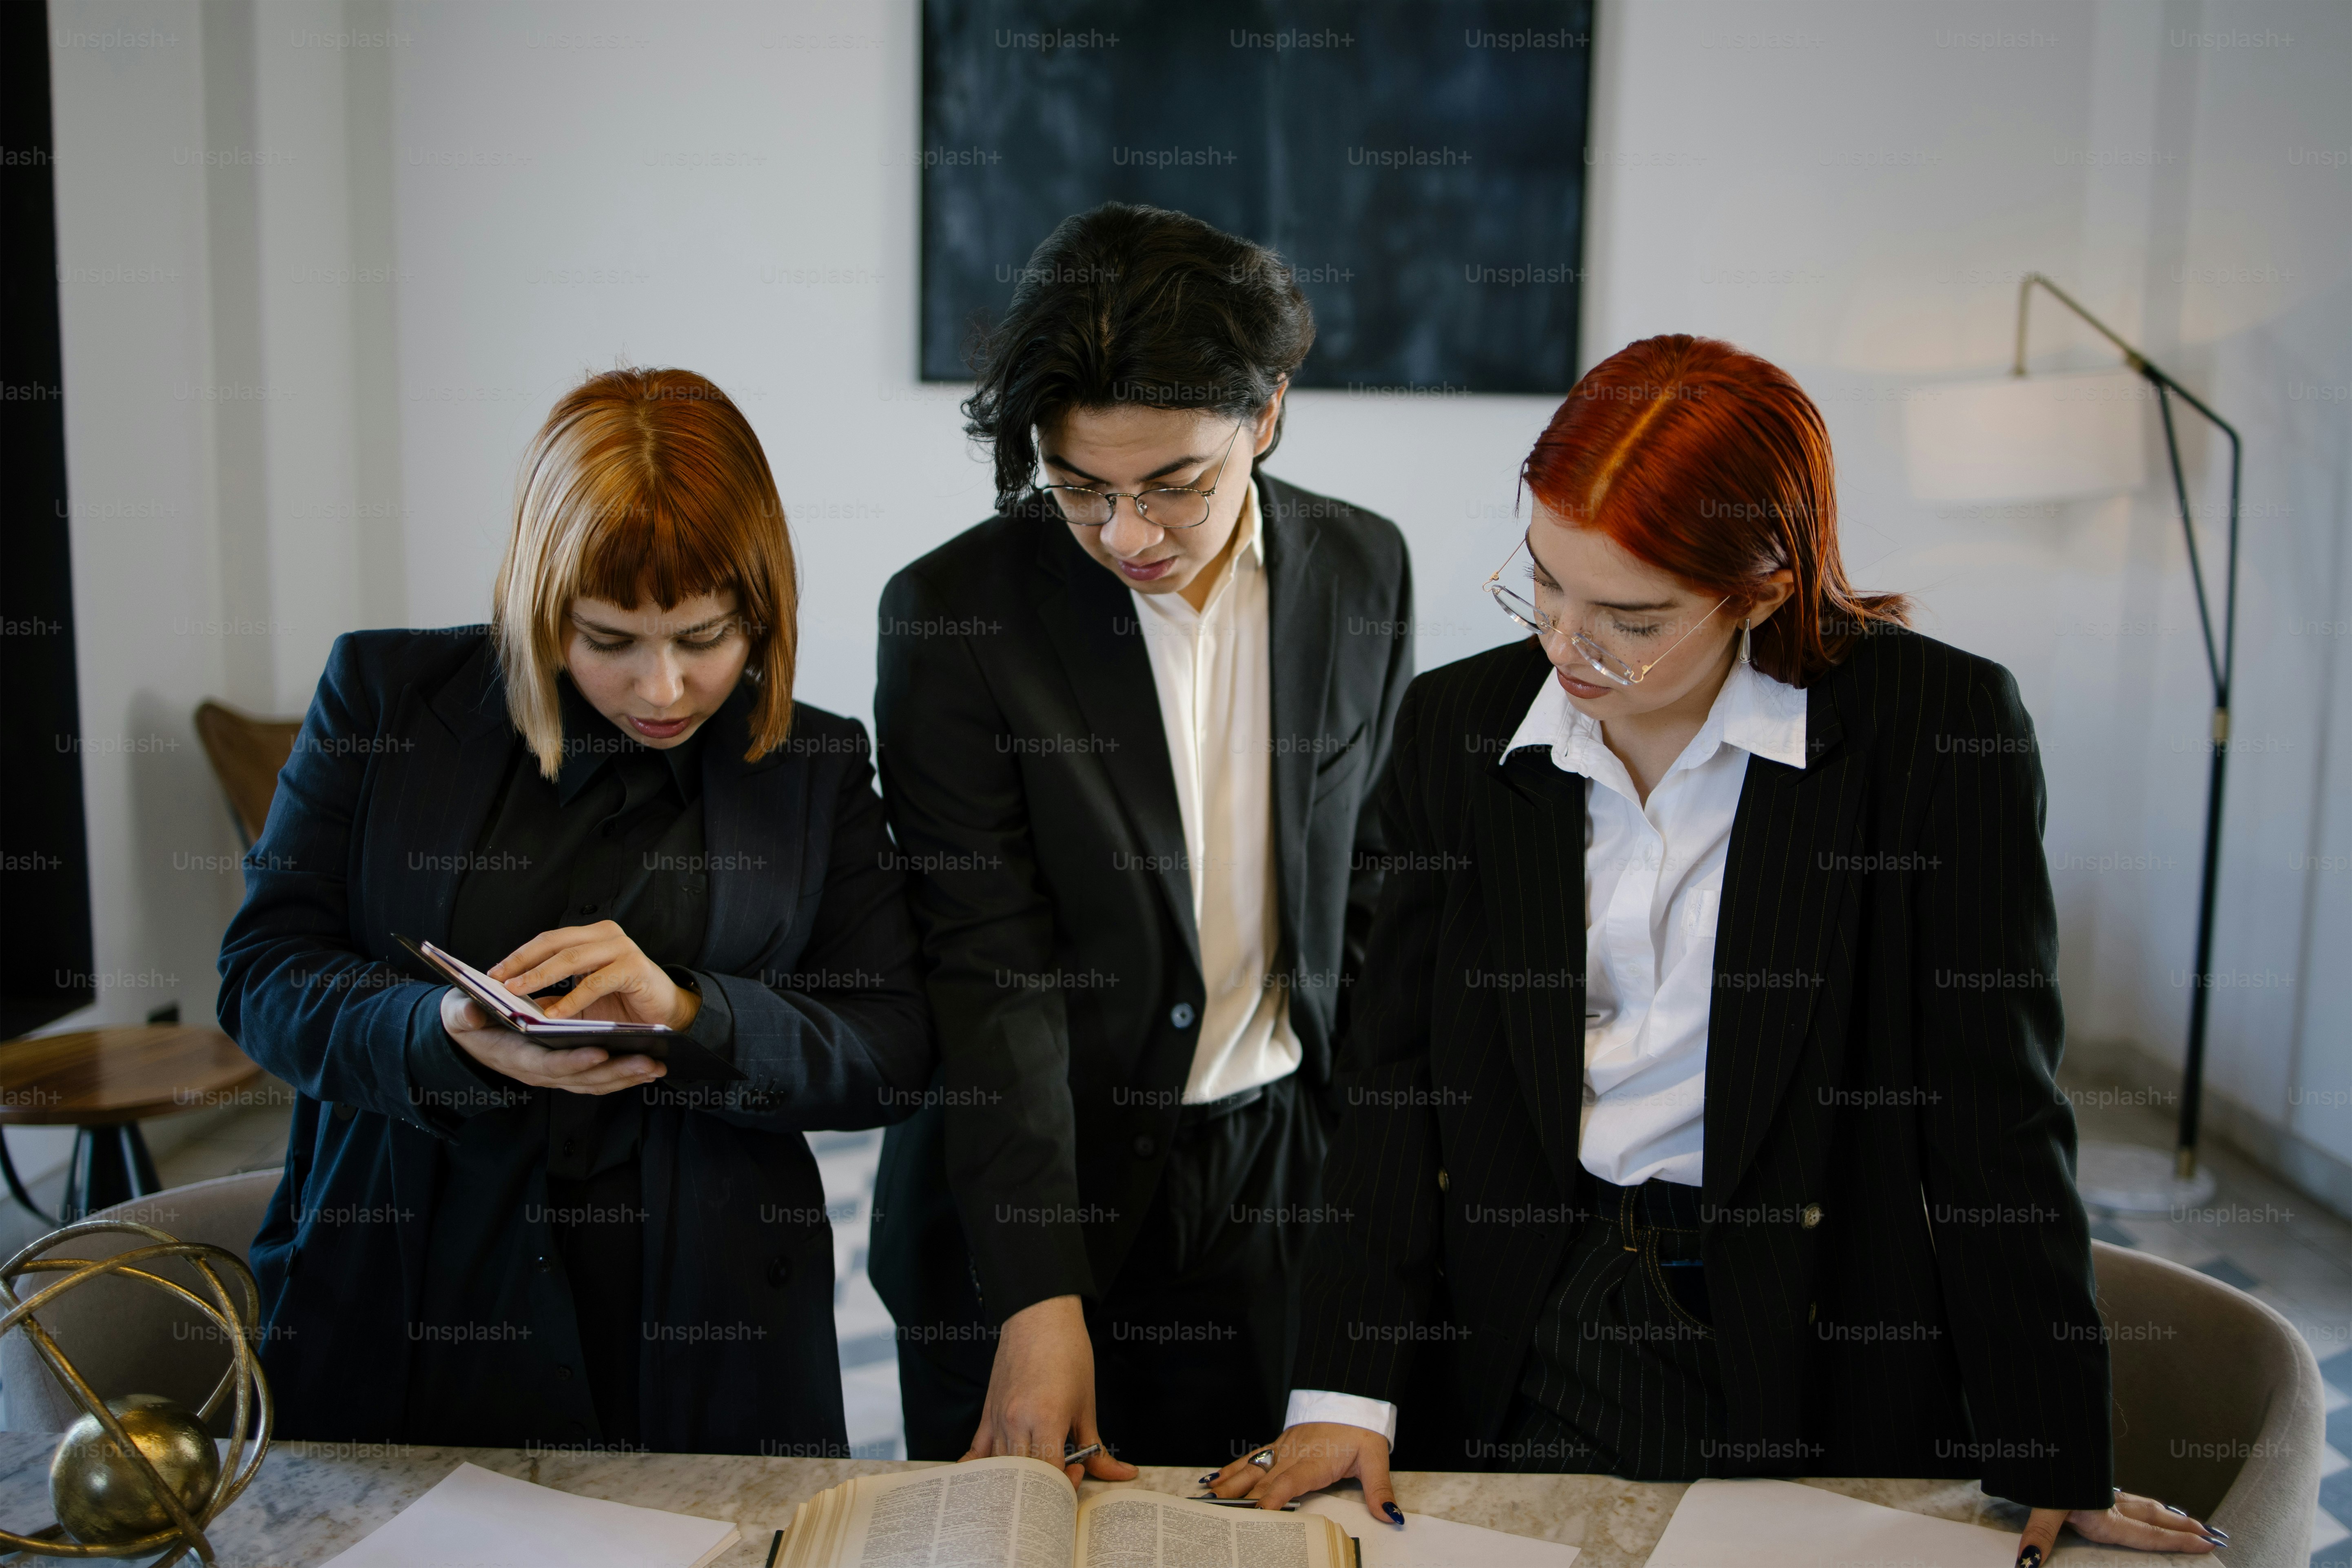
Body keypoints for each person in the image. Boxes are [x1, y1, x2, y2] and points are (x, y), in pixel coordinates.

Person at [1210, 335, 2224, 1565]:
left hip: (1819, 1320)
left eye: (1630, 619)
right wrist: (1340, 1390)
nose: (1566, 649)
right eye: (1544, 585)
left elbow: (1994, 1110)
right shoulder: (1456, 728)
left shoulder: (1936, 731)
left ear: (1759, 587)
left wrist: (2055, 1441)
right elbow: (1391, 1088)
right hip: (1531, 1301)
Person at [217, 368, 931, 1456]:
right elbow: (263, 971)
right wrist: (434, 1031)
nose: (663, 689)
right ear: (541, 603)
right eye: (609, 639)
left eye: (703, 637)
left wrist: (697, 1015)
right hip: (409, 1283)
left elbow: (891, 1048)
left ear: (764, 607)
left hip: (708, 1323)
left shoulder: (814, 765)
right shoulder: (383, 697)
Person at [869, 202, 1414, 1475]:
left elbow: (1371, 898)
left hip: (1275, 1179)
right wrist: (1037, 1292)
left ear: (1266, 413)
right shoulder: (955, 614)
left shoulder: (1363, 572)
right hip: (1026, 1199)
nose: (1127, 533)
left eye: (1177, 483)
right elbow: (987, 966)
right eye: (1080, 488)